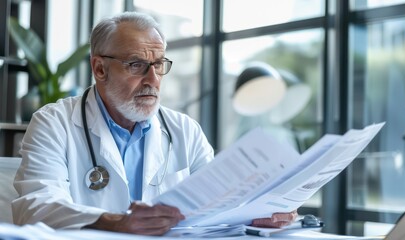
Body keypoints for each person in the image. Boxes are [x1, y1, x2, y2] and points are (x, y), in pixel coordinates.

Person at [12, 12, 297, 236]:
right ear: (100, 68)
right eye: (136, 65)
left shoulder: (185, 130)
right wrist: (116, 222)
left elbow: (219, 204)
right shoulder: (53, 123)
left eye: (159, 64)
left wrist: (262, 213)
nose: (153, 79)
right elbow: (36, 207)